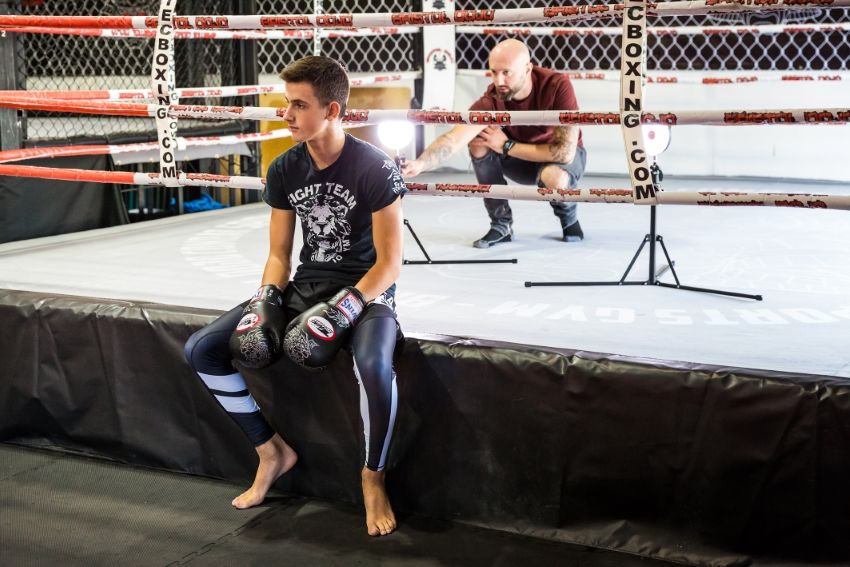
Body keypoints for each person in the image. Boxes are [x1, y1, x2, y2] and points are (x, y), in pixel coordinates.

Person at [183, 55, 406, 537]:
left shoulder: (374, 167)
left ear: (332, 110)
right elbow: (280, 255)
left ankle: (373, 478)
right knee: (202, 350)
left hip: (367, 293)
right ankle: (271, 451)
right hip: (305, 287)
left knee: (373, 366)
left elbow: (390, 263)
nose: (285, 114)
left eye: (298, 105)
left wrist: (346, 308)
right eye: (286, 103)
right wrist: (266, 298)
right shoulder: (285, 168)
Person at [402, 38, 586, 248]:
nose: (499, 81)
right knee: (479, 140)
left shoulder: (556, 85)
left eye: (506, 72)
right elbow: (453, 139)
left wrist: (506, 146)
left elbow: (564, 153)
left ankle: (568, 217)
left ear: (527, 69)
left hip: (560, 162)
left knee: (553, 177)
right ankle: (501, 224)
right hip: (520, 161)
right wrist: (420, 164)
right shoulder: (492, 100)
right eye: (494, 72)